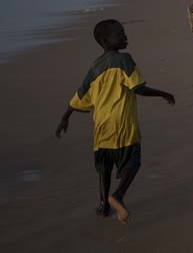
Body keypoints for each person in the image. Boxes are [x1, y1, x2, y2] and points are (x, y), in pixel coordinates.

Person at [55, 19, 175, 223]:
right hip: (123, 123)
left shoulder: (94, 68)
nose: (125, 37)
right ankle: (118, 196)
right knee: (132, 162)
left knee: (105, 167)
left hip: (101, 126)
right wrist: (164, 93)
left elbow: (80, 97)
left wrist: (65, 118)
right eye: (120, 34)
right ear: (105, 40)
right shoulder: (124, 60)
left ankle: (103, 206)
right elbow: (138, 88)